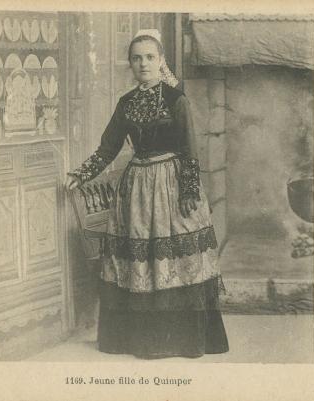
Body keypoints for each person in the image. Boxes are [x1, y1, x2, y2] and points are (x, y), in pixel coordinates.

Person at [65, 29, 229, 359]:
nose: (143, 64)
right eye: (137, 58)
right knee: (140, 261)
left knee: (176, 260)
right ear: (130, 63)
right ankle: (139, 340)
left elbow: (190, 148)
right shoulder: (125, 103)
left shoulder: (176, 99)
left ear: (161, 61)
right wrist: (81, 174)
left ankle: (179, 340)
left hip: (172, 187)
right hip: (136, 191)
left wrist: (189, 190)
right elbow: (108, 147)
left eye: (150, 57)